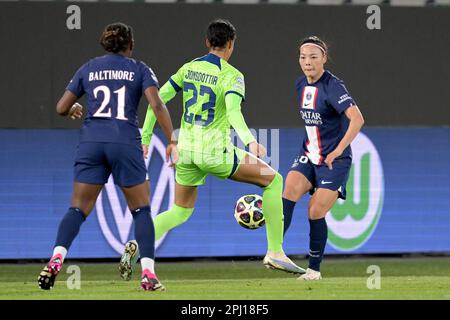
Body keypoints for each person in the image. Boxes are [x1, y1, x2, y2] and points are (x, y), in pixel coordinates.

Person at [118, 19, 305, 280]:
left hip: (186, 151)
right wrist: (250, 140)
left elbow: (156, 100)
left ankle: (138, 243)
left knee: (180, 211)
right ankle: (275, 251)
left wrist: (146, 136)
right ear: (230, 44)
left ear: (207, 42)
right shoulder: (231, 75)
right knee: (274, 181)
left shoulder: (188, 68)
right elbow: (233, 111)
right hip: (215, 152)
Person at [37, 22, 178, 291]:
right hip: (124, 141)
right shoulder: (139, 68)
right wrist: (171, 139)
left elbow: (61, 107)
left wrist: (73, 110)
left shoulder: (88, 67)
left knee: (78, 209)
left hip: (92, 142)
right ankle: (148, 274)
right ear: (131, 45)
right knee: (141, 210)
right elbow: (157, 104)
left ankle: (57, 257)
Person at [282, 36, 365, 280]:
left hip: (334, 161)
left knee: (315, 210)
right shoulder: (300, 84)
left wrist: (338, 150)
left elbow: (357, 118)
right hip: (309, 154)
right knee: (288, 192)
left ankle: (314, 270)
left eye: (313, 57)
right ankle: (275, 251)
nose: (307, 62)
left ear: (324, 59)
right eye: (302, 57)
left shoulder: (334, 86)